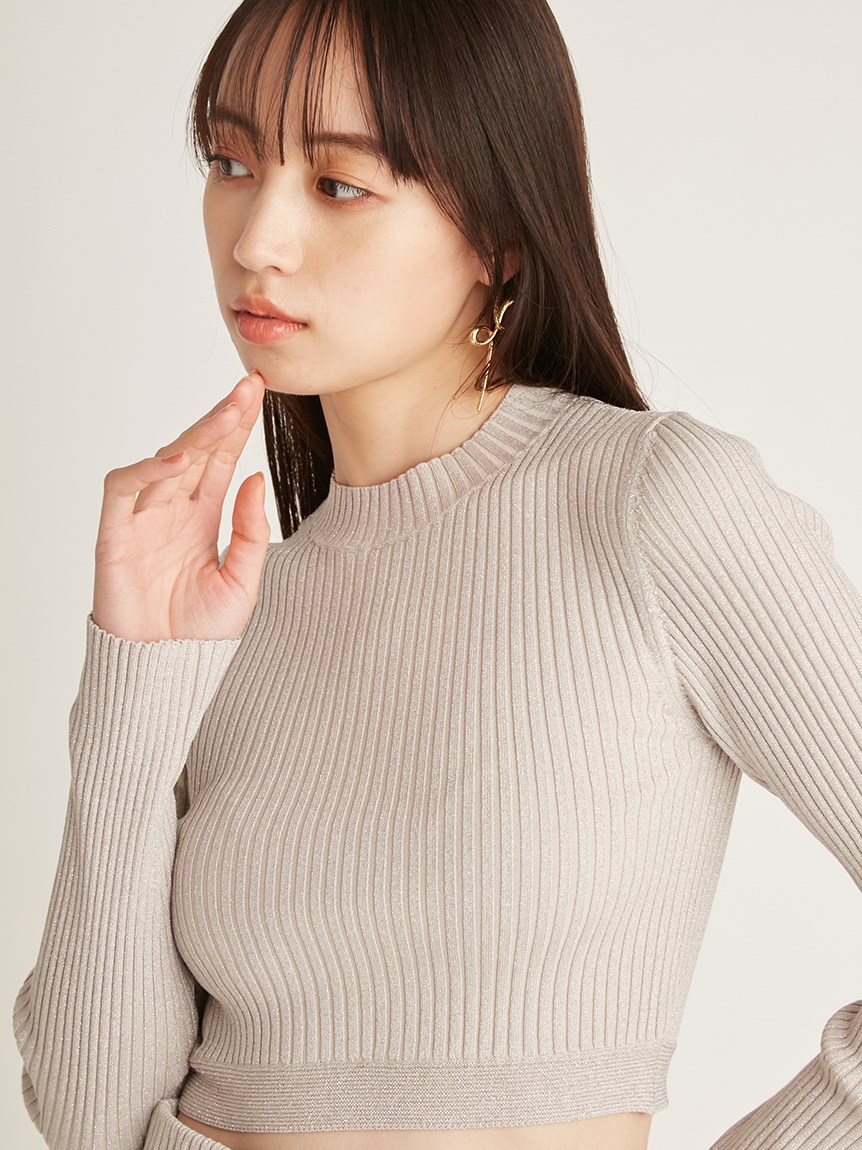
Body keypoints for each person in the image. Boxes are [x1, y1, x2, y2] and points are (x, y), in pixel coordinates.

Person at [11, 0, 862, 1148]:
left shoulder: (648, 504)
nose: (255, 239)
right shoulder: (232, 606)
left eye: (338, 183)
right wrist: (136, 677)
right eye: (231, 161)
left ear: (497, 232)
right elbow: (90, 1120)